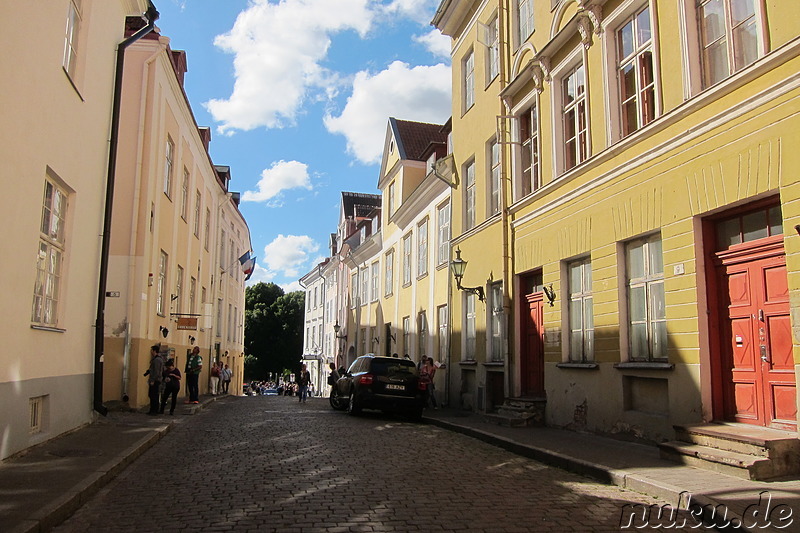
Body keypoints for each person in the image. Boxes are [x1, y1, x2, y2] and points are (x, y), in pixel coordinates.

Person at [144, 345, 164, 415]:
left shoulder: (157, 360)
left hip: (156, 380)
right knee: (153, 395)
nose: (151, 352)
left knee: (153, 395)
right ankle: (153, 409)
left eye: (152, 350)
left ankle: (154, 410)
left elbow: (156, 371)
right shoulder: (157, 359)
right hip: (156, 379)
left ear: (154, 351)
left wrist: (153, 380)